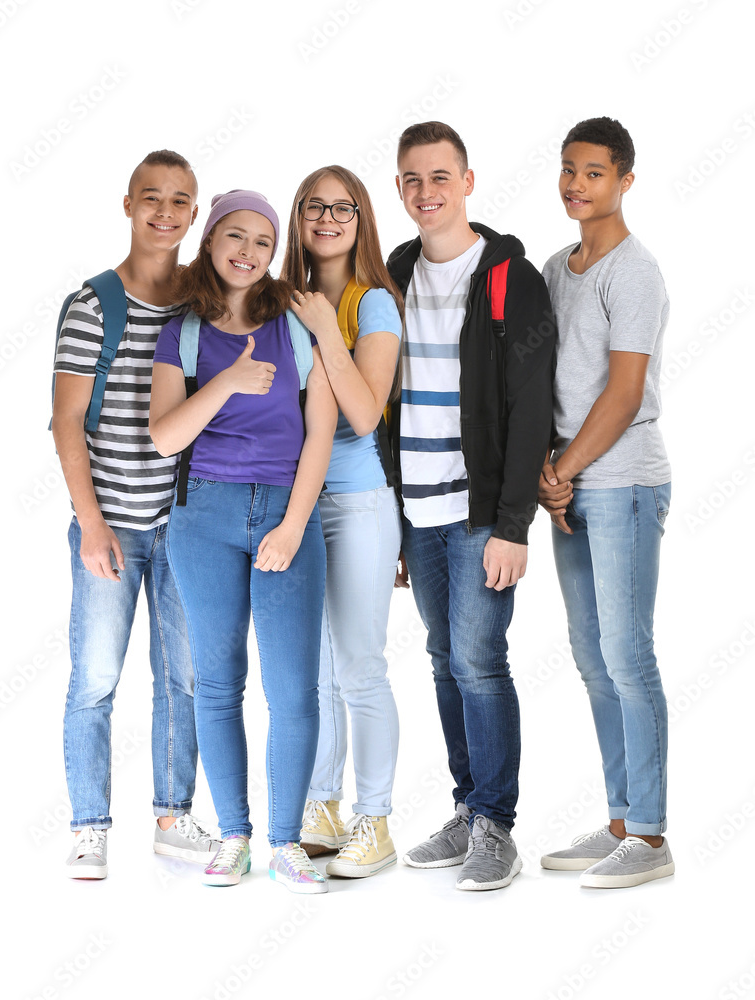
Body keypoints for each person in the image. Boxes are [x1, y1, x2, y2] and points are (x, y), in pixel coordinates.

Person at [149, 190, 337, 894]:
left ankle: (286, 842)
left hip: (286, 513)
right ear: (211, 241)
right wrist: (225, 381)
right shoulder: (185, 334)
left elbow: (320, 431)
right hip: (204, 517)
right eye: (235, 235)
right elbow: (166, 435)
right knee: (218, 684)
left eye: (262, 240)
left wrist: (292, 525)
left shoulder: (294, 325)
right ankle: (233, 837)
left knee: (292, 689)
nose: (248, 251)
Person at [386, 122, 554, 891]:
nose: (426, 193)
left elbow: (530, 413)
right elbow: (382, 402)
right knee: (440, 659)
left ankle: (495, 825)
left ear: (467, 181)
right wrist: (389, 521)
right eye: (412, 180)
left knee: (479, 662)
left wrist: (513, 526)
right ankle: (466, 806)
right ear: (399, 188)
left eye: (439, 177)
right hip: (413, 510)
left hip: (479, 510)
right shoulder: (392, 272)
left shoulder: (508, 278)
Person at [54, 150, 219, 879]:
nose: (164, 212)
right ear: (128, 204)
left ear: (194, 213)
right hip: (111, 523)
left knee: (180, 678)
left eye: (180, 201)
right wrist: (90, 523)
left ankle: (173, 817)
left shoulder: (202, 303)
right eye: (151, 198)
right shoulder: (93, 304)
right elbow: (66, 423)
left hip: (183, 524)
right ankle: (89, 827)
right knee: (95, 679)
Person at [538, 117, 674, 888]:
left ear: (624, 180)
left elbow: (623, 393)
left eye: (592, 172)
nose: (575, 184)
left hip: (621, 480)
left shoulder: (636, 271)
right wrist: (549, 476)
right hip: (570, 484)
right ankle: (622, 816)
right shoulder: (560, 265)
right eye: (567, 169)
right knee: (592, 660)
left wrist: (563, 470)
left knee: (628, 656)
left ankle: (651, 839)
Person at [280, 166, 404, 878]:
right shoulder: (280, 300)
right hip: (296, 503)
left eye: (342, 207)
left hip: (356, 505)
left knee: (359, 667)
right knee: (318, 672)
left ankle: (375, 819)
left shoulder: (373, 303)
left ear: (361, 219)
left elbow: (363, 414)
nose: (327, 218)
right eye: (313, 207)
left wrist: (327, 328)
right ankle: (321, 806)